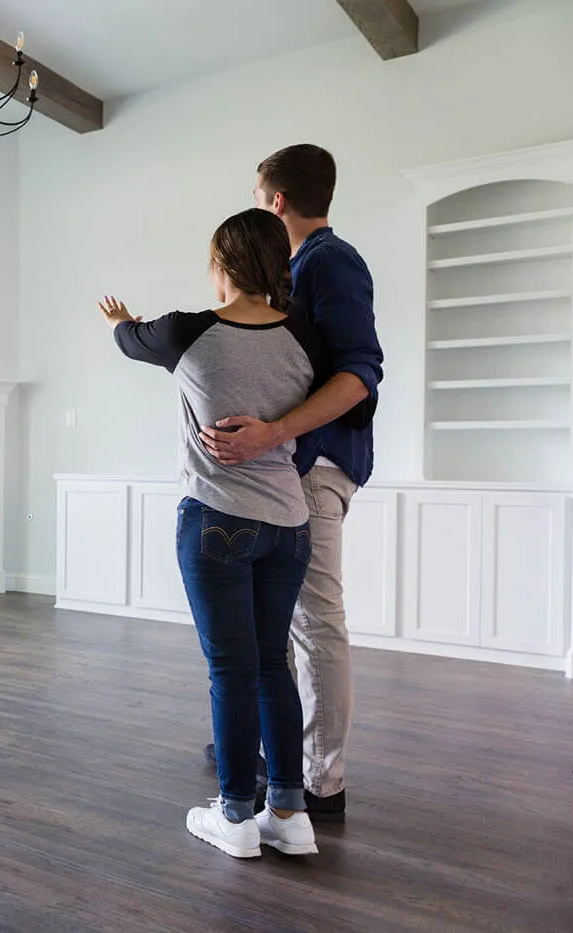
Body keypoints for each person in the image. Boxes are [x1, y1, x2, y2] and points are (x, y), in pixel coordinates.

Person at [103, 208, 325, 859]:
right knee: (272, 664)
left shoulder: (187, 332)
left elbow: (126, 339)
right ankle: (288, 811)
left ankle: (234, 815)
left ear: (221, 263)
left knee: (230, 667)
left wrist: (120, 318)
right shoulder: (307, 338)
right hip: (289, 523)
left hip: (217, 520)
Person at [199, 145, 383, 824]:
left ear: (274, 202)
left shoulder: (328, 262)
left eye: (256, 198)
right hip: (286, 471)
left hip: (310, 469)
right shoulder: (297, 270)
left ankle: (319, 782)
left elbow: (360, 373)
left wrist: (273, 435)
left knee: (312, 622)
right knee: (270, 629)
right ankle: (264, 760)